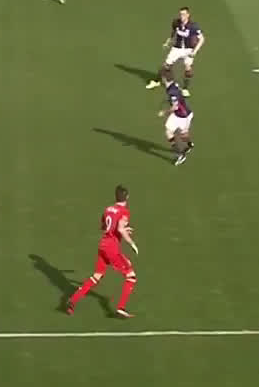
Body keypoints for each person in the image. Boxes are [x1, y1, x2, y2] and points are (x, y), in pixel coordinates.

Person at [67, 185, 140, 319]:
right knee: (131, 276)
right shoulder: (124, 211)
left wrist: (122, 229)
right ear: (127, 197)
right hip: (112, 248)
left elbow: (105, 227)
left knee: (97, 275)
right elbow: (120, 229)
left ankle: (73, 300)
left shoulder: (108, 209)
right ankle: (121, 308)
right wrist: (132, 243)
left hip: (103, 245)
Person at [145, 7, 204, 96]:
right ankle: (156, 81)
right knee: (165, 66)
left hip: (189, 49)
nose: (181, 16)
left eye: (183, 14)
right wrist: (167, 42)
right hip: (177, 48)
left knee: (188, 69)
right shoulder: (176, 23)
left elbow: (202, 39)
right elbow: (173, 33)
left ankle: (185, 89)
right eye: (180, 14)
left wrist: (195, 51)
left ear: (188, 15)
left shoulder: (193, 26)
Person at [157, 70, 195, 166]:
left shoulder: (171, 91)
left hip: (181, 116)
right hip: (185, 113)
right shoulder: (174, 85)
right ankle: (190, 145)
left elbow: (175, 107)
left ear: (164, 78)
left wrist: (164, 113)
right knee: (183, 134)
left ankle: (180, 155)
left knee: (169, 132)